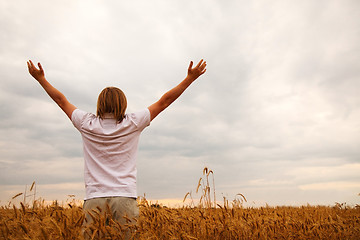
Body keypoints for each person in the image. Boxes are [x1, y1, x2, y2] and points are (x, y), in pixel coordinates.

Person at [27, 59, 207, 238]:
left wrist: (41, 79)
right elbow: (164, 102)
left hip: (94, 199)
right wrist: (189, 79)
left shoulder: (86, 123)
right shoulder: (133, 122)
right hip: (124, 197)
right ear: (123, 103)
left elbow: (61, 101)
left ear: (100, 104)